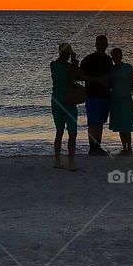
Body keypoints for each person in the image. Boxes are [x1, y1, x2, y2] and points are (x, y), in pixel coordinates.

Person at [80, 35, 113, 156]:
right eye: (99, 44)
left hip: (105, 95)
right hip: (93, 94)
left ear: (106, 45)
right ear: (95, 45)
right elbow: (80, 75)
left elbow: (111, 76)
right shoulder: (89, 59)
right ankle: (92, 147)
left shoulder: (108, 60)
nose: (101, 46)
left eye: (103, 44)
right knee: (93, 122)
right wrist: (96, 80)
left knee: (100, 122)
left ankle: (97, 147)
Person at [50, 43, 79, 171]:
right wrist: (74, 65)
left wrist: (72, 65)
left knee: (59, 131)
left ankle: (57, 160)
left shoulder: (53, 65)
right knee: (72, 133)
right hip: (68, 101)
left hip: (56, 100)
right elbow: (72, 80)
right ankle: (70, 161)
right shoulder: (68, 67)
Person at [108, 47, 133, 156]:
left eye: (117, 55)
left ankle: (129, 147)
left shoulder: (128, 68)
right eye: (114, 56)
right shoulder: (111, 69)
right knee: (120, 125)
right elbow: (109, 84)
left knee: (127, 124)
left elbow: (132, 84)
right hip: (115, 99)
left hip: (126, 99)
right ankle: (124, 147)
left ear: (121, 56)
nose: (115, 58)